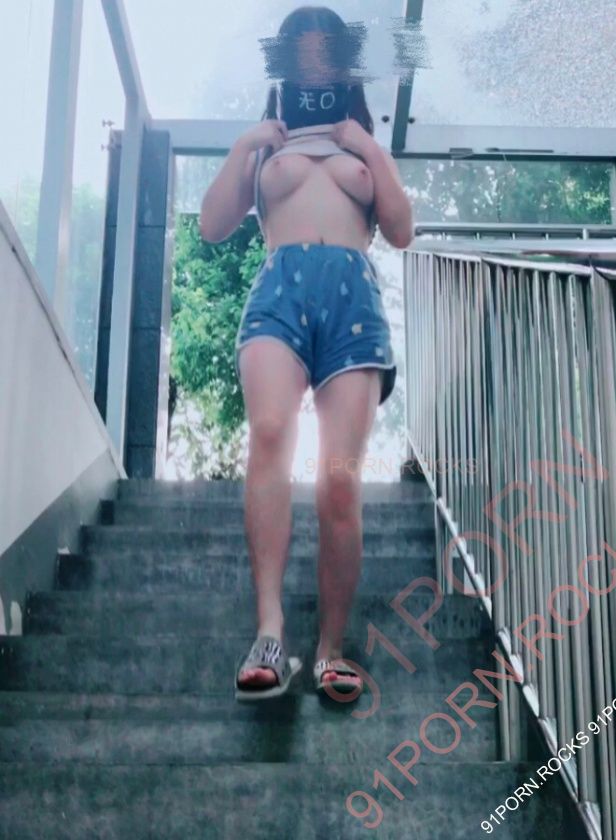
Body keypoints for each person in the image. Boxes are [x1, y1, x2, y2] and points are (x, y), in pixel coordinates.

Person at [199, 6, 414, 702]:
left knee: (340, 479)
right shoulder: (269, 140)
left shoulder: (362, 141)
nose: (314, 65)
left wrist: (369, 149)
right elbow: (212, 225)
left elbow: (402, 231)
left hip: (353, 302)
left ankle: (331, 649)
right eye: (303, 53)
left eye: (327, 53)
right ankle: (269, 631)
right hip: (279, 292)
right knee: (269, 434)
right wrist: (248, 144)